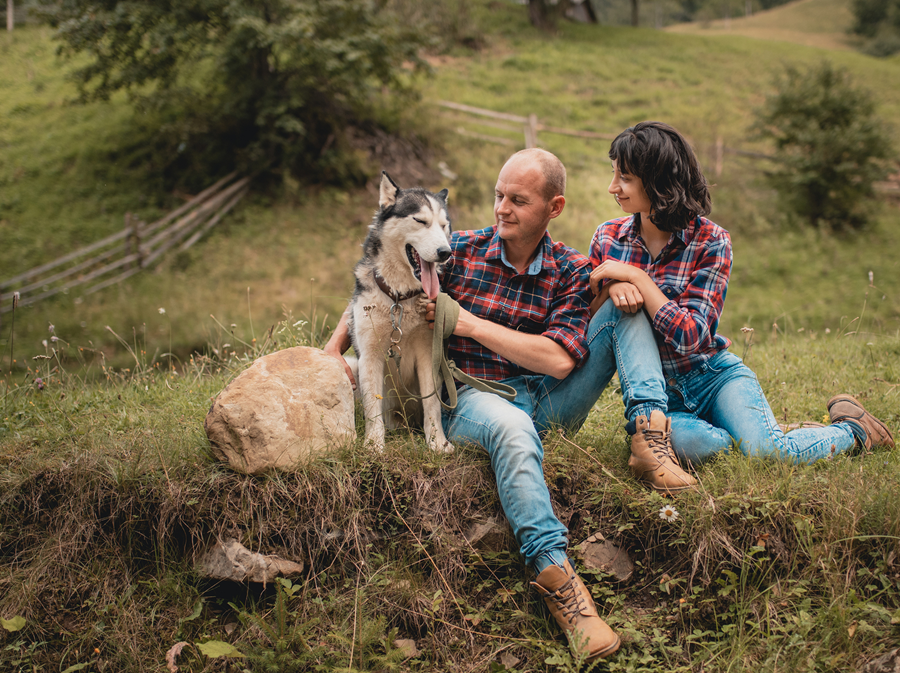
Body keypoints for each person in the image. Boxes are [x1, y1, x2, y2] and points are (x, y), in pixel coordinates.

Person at [325, 148, 624, 660]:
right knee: (510, 428)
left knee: (624, 309)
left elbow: (558, 361)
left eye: (518, 200)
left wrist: (464, 322)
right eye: (498, 196)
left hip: (549, 397)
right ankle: (562, 585)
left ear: (554, 208)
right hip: (473, 398)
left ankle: (655, 429)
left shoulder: (571, 268)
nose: (502, 208)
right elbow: (379, 284)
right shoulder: (455, 249)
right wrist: (334, 349)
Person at [587, 120, 894, 474]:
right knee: (705, 446)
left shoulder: (711, 241)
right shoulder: (608, 238)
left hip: (713, 376)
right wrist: (611, 288)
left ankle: (853, 431)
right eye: (614, 174)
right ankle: (762, 432)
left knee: (767, 454)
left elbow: (691, 337)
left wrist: (638, 278)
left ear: (657, 180)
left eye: (625, 178)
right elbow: (593, 320)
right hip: (660, 401)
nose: (614, 187)